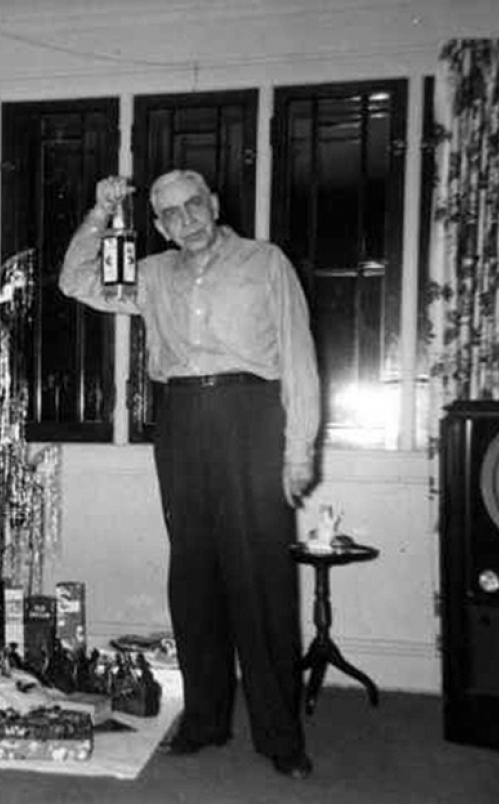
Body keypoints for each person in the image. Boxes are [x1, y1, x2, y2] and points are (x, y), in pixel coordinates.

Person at [59, 170, 320, 779]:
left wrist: (299, 448)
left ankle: (280, 737)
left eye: (194, 206)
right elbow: (74, 281)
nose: (186, 220)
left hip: (251, 416)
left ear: (215, 204)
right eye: (171, 214)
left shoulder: (265, 261)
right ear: (158, 226)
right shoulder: (148, 274)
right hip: (180, 421)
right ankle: (205, 719)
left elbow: (298, 352)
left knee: (260, 579)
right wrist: (99, 214)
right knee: (194, 573)